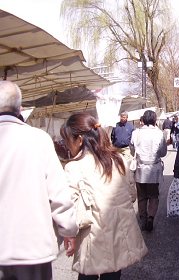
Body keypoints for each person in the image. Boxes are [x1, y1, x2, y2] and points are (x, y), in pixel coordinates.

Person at [0, 80, 78, 280]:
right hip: (32, 250)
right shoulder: (38, 139)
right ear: (21, 108)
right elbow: (59, 194)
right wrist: (68, 229)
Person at [60, 113, 148, 279]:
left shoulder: (74, 167)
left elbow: (68, 208)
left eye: (67, 140)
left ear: (79, 140)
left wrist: (68, 233)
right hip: (119, 233)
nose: (66, 145)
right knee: (114, 273)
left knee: (88, 275)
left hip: (92, 239)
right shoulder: (119, 159)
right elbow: (132, 195)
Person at [130, 110, 168, 232]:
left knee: (142, 196)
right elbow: (163, 152)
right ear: (154, 120)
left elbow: (132, 149)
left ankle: (143, 219)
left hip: (140, 168)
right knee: (153, 195)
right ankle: (151, 217)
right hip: (154, 169)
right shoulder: (159, 133)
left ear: (143, 120)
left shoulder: (136, 133)